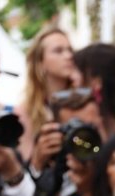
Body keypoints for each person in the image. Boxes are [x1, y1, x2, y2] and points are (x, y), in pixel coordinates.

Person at [16, 26, 79, 163]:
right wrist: (39, 157)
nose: (69, 56)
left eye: (70, 50)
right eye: (58, 51)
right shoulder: (25, 111)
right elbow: (25, 170)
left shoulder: (84, 102)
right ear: (40, 63)